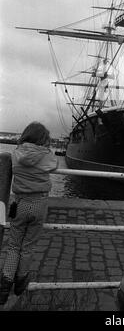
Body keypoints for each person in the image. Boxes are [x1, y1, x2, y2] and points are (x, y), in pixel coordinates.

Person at [0, 122, 58, 305]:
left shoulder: (16, 154)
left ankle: (4, 284)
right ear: (42, 139)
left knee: (14, 245)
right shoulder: (46, 156)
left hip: (21, 203)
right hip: (39, 204)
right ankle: (21, 281)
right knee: (28, 246)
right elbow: (54, 165)